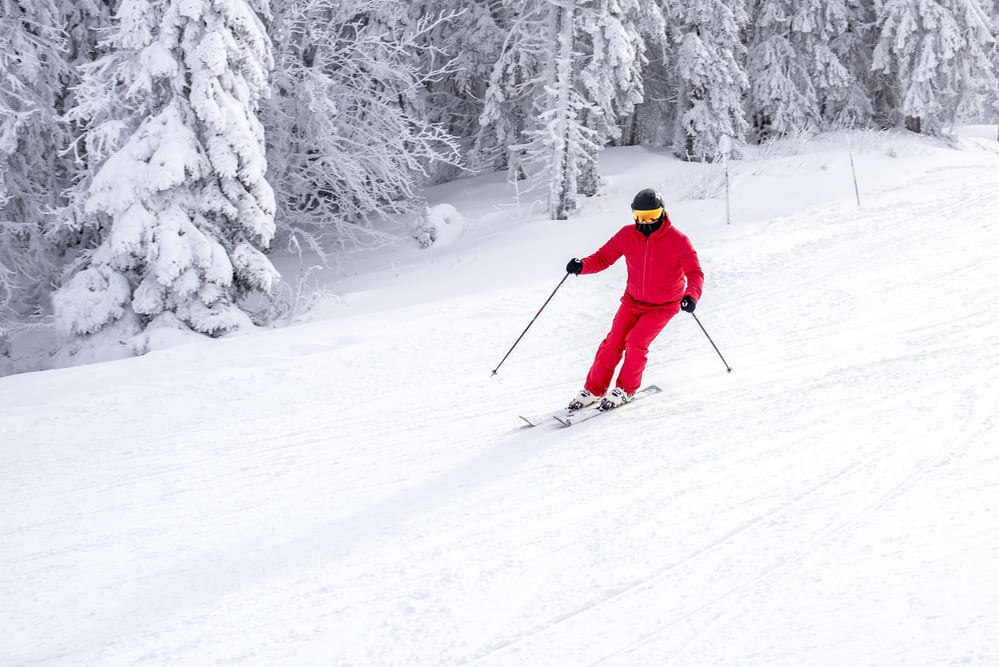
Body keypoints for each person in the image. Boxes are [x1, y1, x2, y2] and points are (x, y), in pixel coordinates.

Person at [565, 188, 704, 410]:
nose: (645, 222)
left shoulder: (678, 240)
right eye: (639, 216)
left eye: (651, 216)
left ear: (662, 212)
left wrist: (691, 295)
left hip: (663, 306)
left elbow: (695, 273)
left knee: (636, 343)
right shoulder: (627, 235)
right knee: (612, 343)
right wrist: (582, 266)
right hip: (632, 301)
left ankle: (625, 389)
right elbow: (603, 258)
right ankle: (593, 389)